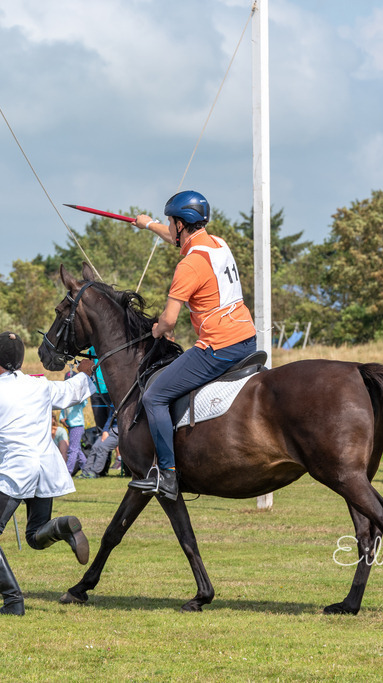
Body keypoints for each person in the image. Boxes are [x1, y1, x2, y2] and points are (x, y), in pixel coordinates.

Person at [0, 331, 96, 615]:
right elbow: (69, 392)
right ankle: (62, 527)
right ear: (22, 360)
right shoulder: (39, 386)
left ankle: (13, 602)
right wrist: (85, 374)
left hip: (16, 471)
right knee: (35, 536)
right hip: (45, 468)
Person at [132, 190, 258, 499]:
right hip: (247, 338)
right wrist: (148, 225)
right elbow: (178, 239)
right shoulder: (217, 245)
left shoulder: (188, 266)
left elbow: (170, 320)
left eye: (170, 222)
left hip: (219, 346)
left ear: (180, 223)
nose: (168, 227)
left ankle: (168, 475)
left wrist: (157, 329)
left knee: (154, 396)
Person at [60, 371, 88, 474]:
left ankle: (68, 471)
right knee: (77, 449)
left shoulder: (79, 395)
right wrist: (61, 418)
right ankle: (87, 469)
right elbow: (62, 408)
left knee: (72, 449)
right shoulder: (65, 396)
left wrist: (78, 393)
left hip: (77, 425)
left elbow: (84, 403)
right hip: (70, 425)